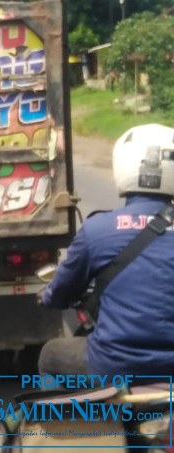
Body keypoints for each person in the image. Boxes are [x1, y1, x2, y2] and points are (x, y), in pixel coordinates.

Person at [37, 123, 174, 376]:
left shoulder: (97, 230)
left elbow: (61, 291)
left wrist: (48, 296)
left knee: (50, 355)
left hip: (114, 364)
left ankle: (69, 416)